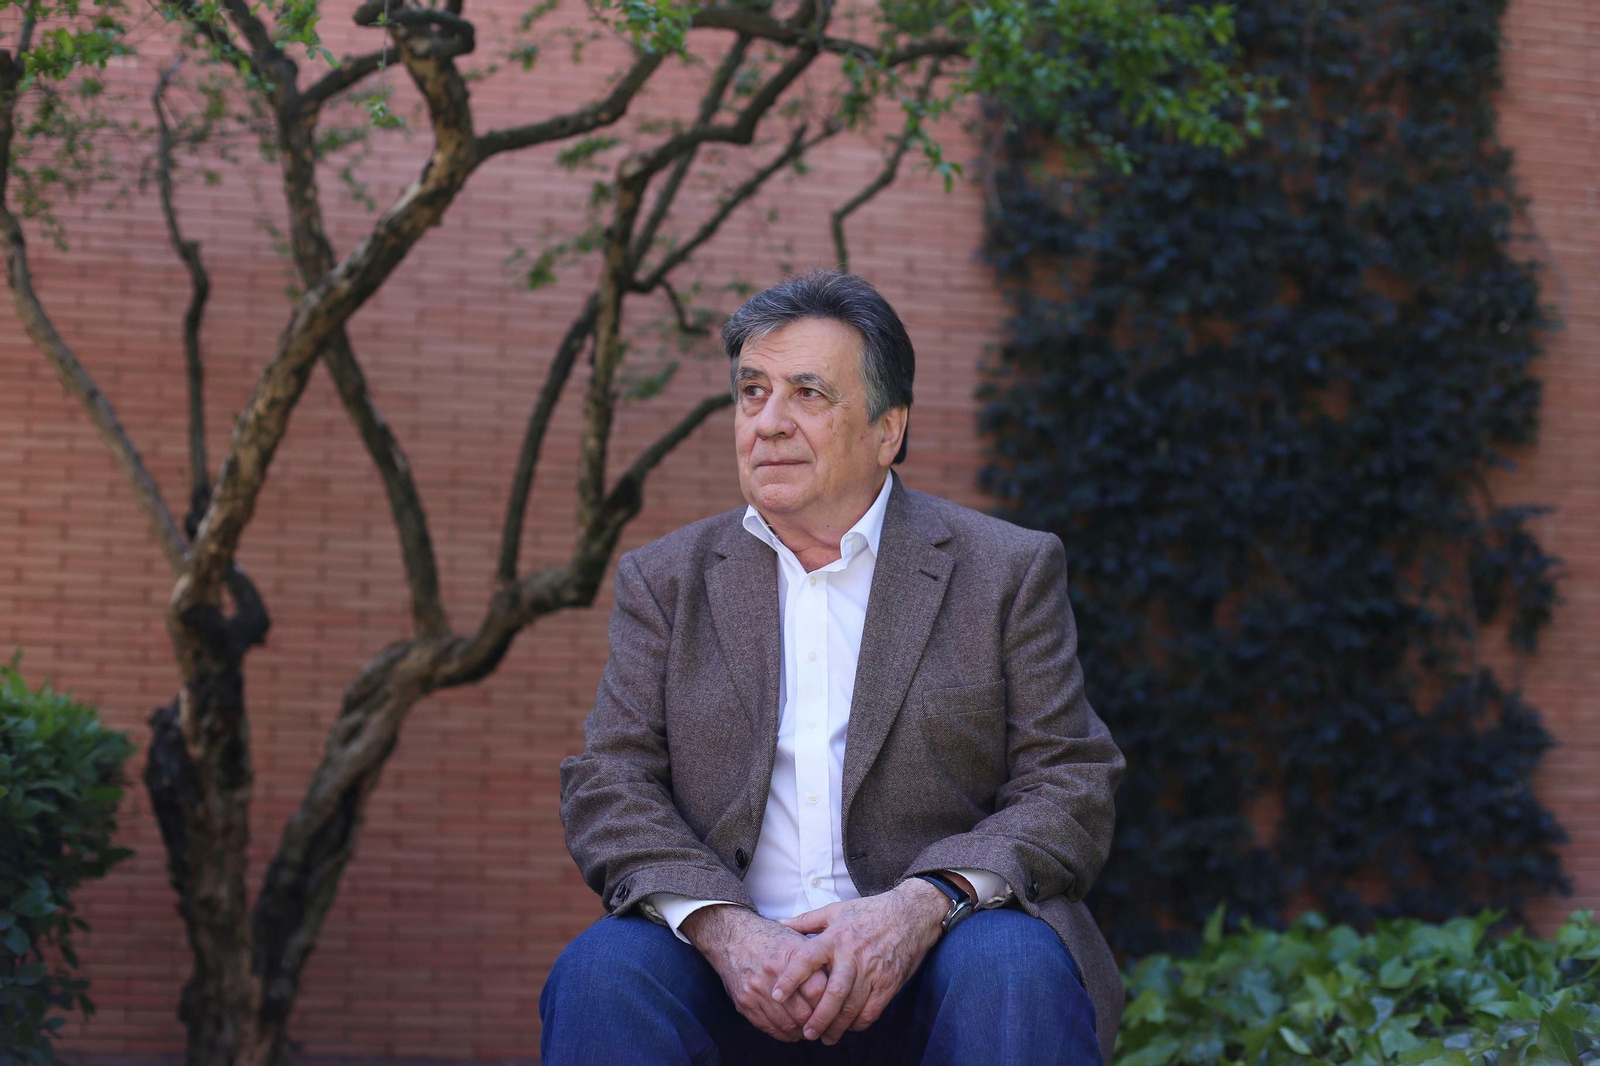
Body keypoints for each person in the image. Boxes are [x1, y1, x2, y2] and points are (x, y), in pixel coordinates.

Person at [540, 269, 1126, 1066]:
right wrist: (726, 929)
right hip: (729, 974)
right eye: (752, 393)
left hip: (938, 963)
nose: (768, 424)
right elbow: (610, 782)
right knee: (603, 973)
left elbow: (1069, 782)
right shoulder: (667, 581)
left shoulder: (1003, 570)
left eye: (807, 394)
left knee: (1012, 961)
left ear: (888, 430)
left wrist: (920, 906)